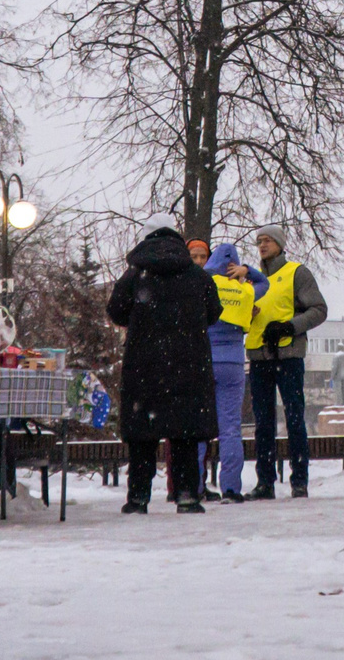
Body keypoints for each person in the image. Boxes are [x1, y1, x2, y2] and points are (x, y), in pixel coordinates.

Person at [107, 213, 220, 515]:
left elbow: (116, 312)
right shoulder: (197, 276)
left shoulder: (135, 274)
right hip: (188, 365)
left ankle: (138, 498)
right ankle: (186, 495)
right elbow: (214, 312)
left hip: (144, 367)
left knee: (143, 436)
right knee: (183, 432)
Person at [245, 227, 327, 498]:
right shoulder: (249, 280)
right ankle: (265, 482)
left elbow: (318, 309)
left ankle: (299, 480)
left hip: (288, 355)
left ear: (280, 244)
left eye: (267, 240)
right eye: (259, 242)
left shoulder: (296, 273)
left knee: (294, 418)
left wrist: (289, 327)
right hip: (258, 356)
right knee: (263, 422)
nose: (262, 245)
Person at [202, 242, 264, 501]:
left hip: (206, 361)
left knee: (200, 427)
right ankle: (230, 487)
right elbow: (265, 284)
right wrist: (246, 270)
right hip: (234, 363)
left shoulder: (205, 286)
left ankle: (194, 486)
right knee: (230, 427)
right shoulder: (246, 290)